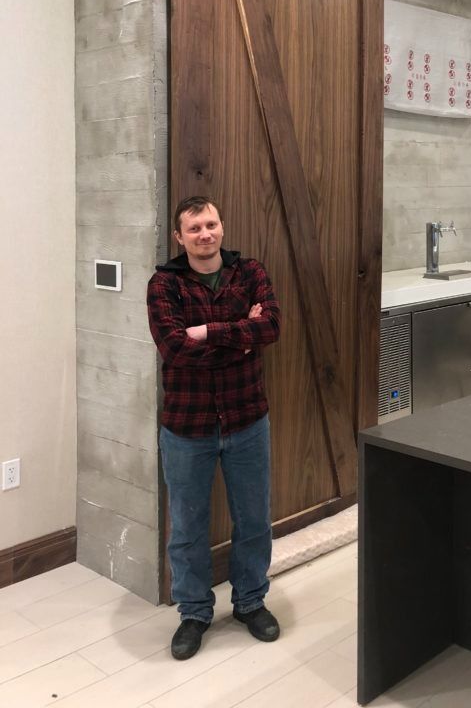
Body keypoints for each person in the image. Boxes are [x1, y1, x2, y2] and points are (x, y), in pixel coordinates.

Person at [147, 196, 281, 660]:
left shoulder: (251, 273)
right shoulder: (164, 285)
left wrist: (206, 332)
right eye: (194, 228)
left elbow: (271, 329)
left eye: (211, 224)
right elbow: (174, 349)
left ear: (222, 227)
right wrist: (240, 335)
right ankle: (194, 612)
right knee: (187, 526)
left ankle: (250, 602)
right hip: (188, 427)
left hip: (247, 420)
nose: (205, 234)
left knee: (254, 520)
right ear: (179, 237)